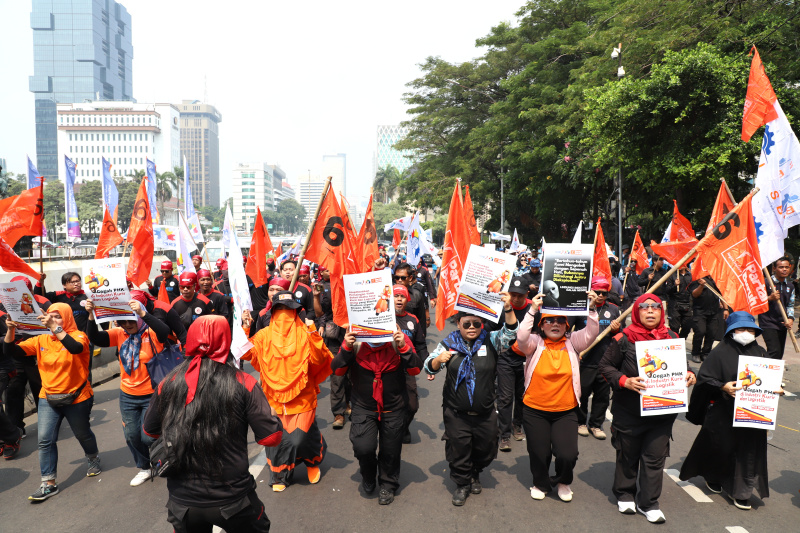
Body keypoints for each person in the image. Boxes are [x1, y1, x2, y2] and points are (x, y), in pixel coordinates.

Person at [143, 316, 283, 532]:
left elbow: (149, 432)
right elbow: (271, 438)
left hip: (183, 503)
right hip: (233, 501)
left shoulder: (167, 382)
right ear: (226, 341)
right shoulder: (244, 382)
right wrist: (272, 416)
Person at [599, 293, 696, 523]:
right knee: (628, 454)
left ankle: (649, 503)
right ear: (636, 312)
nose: (650, 311)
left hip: (661, 413)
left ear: (661, 313)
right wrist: (625, 381)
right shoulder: (624, 338)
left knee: (654, 458)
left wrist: (690, 374)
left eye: (655, 307)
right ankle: (624, 494)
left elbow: (685, 365)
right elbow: (605, 366)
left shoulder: (671, 337)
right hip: (629, 410)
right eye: (645, 307)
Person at [424, 295, 518, 507]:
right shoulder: (448, 343)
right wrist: (439, 360)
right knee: (459, 448)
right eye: (467, 323)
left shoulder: (491, 340)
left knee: (485, 449)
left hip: (485, 411)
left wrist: (508, 307)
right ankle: (463, 483)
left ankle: (476, 471)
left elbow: (511, 333)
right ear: (458, 324)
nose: (473, 327)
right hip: (456, 412)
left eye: (477, 323)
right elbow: (429, 366)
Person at [680, 312, 779, 511]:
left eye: (750, 329)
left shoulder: (760, 352)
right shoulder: (720, 352)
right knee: (720, 447)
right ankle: (713, 476)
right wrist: (723, 387)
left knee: (748, 453)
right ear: (731, 331)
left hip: (752, 414)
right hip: (723, 411)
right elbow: (706, 378)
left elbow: (770, 380)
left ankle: (742, 492)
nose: (746, 333)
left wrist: (777, 388)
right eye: (741, 329)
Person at [4, 303, 100, 501]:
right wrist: (11, 330)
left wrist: (55, 328)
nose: (53, 319)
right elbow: (11, 351)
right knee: (45, 440)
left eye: (58, 317)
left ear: (67, 318)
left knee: (82, 434)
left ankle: (93, 457)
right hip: (48, 397)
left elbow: (74, 349)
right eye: (50, 316)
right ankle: (48, 483)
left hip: (77, 397)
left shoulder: (78, 335)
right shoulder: (41, 339)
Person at [512, 290, 600, 503]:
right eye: (549, 321)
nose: (555, 324)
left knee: (567, 454)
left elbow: (591, 333)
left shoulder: (573, 342)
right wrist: (533, 309)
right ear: (541, 326)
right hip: (535, 410)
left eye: (560, 321)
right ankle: (541, 483)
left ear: (567, 326)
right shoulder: (534, 343)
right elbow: (521, 336)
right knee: (539, 453)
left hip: (565, 411)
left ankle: (563, 482)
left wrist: (592, 308)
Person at [242, 290, 333, 492]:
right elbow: (247, 353)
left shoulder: (305, 332)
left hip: (302, 397)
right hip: (272, 397)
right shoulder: (264, 335)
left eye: (289, 309)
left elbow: (319, 360)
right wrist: (246, 326)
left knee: (299, 438)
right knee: (277, 439)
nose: (284, 314)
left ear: (296, 312)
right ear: (273, 312)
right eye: (280, 309)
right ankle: (280, 474)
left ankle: (313, 458)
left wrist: (313, 334)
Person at [332, 321, 421, 505]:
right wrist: (347, 347)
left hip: (394, 406)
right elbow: (337, 369)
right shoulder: (356, 341)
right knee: (363, 447)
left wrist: (403, 346)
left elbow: (415, 368)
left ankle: (388, 484)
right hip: (364, 407)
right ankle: (368, 474)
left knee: (391, 450)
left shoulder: (397, 339)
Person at [86, 297, 169, 485]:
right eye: (122, 321)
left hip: (152, 394)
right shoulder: (119, 334)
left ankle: (164, 454)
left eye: (130, 320)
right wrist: (90, 315)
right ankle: (144, 467)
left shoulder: (151, 332)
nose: (127, 325)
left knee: (148, 436)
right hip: (128, 395)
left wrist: (142, 313)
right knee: (131, 435)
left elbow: (165, 332)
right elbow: (95, 338)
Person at [2, 276, 50, 439]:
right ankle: (15, 426)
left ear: (30, 290)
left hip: (38, 352)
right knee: (14, 391)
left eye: (26, 290)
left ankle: (47, 423)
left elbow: (54, 323)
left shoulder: (42, 302)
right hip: (16, 353)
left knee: (40, 388)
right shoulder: (4, 302)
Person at [574, 277, 620, 440]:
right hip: (585, 359)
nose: (600, 295)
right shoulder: (579, 307)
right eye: (598, 292)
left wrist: (616, 329)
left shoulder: (613, 309)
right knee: (582, 393)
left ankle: (595, 424)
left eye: (604, 293)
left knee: (602, 396)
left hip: (605, 361)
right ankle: (580, 422)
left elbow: (620, 335)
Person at [487, 277, 529, 451]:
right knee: (505, 398)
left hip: (526, 360)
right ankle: (504, 435)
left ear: (527, 294)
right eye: (513, 295)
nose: (516, 298)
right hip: (504, 359)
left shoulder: (533, 310)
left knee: (521, 396)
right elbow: (490, 332)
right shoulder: (500, 309)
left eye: (520, 295)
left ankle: (516, 425)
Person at [312, 268, 350, 430]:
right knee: (337, 375)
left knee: (352, 373)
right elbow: (319, 312)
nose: (330, 271)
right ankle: (338, 413)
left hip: (352, 332)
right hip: (334, 336)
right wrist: (315, 296)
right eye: (326, 269)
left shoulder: (348, 282)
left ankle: (349, 403)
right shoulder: (320, 286)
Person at [393, 284, 429, 443]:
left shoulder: (413, 320)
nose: (399, 299)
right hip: (388, 369)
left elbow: (421, 344)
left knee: (412, 406)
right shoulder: (382, 317)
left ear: (407, 299)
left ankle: (403, 426)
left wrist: (428, 364)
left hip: (408, 369)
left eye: (402, 296)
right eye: (396, 296)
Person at [759, 257, 795, 360]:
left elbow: (790, 305)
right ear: (774, 268)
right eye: (781, 267)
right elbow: (757, 302)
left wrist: (791, 319)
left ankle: (772, 374)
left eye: (786, 267)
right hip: (768, 322)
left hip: (782, 323)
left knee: (779, 353)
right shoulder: (765, 283)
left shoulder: (790, 286)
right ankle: (764, 373)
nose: (784, 269)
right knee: (773, 350)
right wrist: (769, 298)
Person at [688, 276, 722, 363]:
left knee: (712, 332)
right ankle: (696, 353)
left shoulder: (717, 279)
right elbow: (694, 294)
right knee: (700, 331)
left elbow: (721, 294)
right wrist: (701, 286)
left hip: (714, 312)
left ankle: (706, 353)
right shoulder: (698, 279)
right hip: (700, 312)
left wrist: (725, 309)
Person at [395, 263, 428, 334]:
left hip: (411, 337)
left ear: (410, 278)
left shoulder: (417, 295)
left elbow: (421, 320)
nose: (400, 280)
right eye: (397, 277)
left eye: (403, 278)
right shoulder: (388, 294)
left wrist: (421, 339)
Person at [664, 266, 693, 338]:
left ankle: (681, 341)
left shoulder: (690, 276)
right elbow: (667, 291)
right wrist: (675, 285)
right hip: (674, 304)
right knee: (674, 328)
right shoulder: (672, 275)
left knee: (687, 326)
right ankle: (675, 343)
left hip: (687, 304)